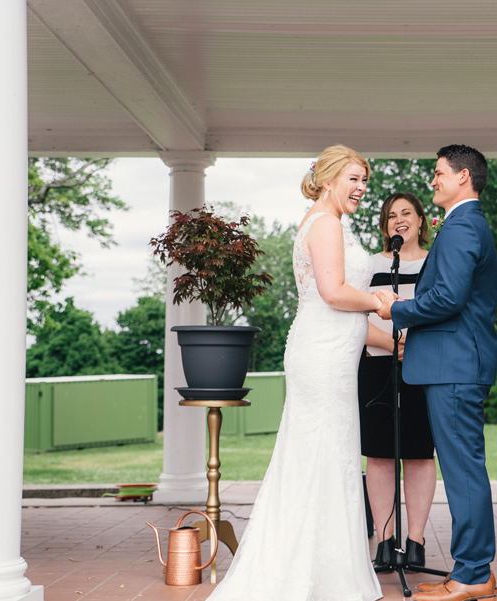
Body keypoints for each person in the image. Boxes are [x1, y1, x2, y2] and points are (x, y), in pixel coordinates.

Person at [208, 145, 383, 601]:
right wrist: (384, 302)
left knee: (332, 452)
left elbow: (343, 307)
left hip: (333, 350)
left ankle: (328, 570)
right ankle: (309, 575)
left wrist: (383, 336)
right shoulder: (325, 224)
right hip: (322, 355)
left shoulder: (330, 223)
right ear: (327, 180)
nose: (362, 189)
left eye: (365, 181)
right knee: (320, 453)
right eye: (354, 180)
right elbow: (334, 293)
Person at [377, 144, 497, 601]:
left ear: (463, 177)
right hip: (453, 364)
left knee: (464, 472)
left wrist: (398, 308)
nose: (433, 180)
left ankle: (472, 576)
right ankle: (470, 571)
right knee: (463, 468)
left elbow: (448, 298)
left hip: (456, 366)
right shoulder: (462, 225)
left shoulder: (464, 226)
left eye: (439, 173)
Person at [358, 192, 436, 572]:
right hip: (376, 364)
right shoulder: (371, 264)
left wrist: (413, 344)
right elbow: (353, 315)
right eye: (391, 216)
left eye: (406, 213)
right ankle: (385, 542)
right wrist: (386, 340)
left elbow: (445, 307)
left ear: (421, 220)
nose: (399, 220)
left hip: (423, 367)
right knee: (380, 453)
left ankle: (415, 542)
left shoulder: (438, 262)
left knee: (419, 452)